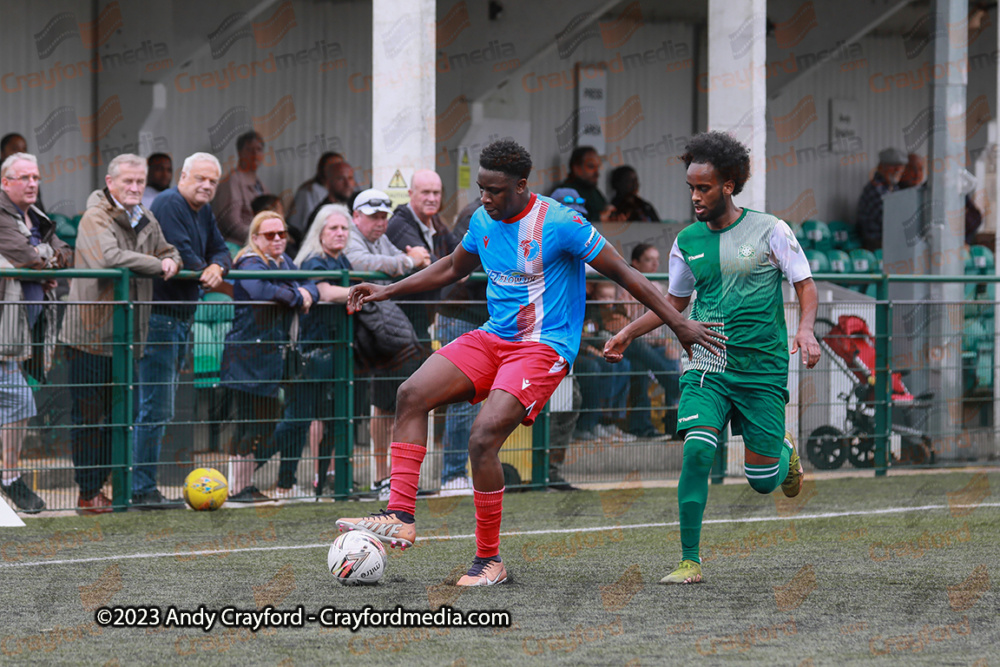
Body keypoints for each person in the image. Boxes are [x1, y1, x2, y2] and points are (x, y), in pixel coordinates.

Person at [336, 138, 725, 586]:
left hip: (543, 346)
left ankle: (490, 561)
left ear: (521, 185)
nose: (484, 198)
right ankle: (400, 514)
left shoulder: (560, 224)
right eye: (481, 188)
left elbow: (626, 273)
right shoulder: (484, 218)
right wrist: (386, 289)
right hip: (494, 336)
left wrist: (677, 322)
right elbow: (449, 268)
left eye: (495, 190)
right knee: (411, 393)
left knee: (483, 438)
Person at [604, 131, 821, 584]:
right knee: (698, 452)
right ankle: (690, 560)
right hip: (707, 364)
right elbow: (674, 304)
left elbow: (804, 284)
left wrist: (804, 328)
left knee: (762, 481)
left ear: (728, 184)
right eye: (690, 188)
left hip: (761, 367)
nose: (695, 197)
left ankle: (782, 450)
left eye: (703, 188)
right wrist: (626, 331)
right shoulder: (686, 241)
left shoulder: (771, 229)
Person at [60, 154, 182, 514]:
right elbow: (108, 258)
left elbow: (168, 248)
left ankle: (111, 490)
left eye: (139, 182)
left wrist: (171, 258)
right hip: (89, 336)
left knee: (119, 419)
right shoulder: (95, 216)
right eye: (127, 182)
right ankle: (88, 493)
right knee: (89, 420)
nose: (134, 188)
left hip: (128, 337)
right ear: (109, 183)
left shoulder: (145, 215)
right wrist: (160, 265)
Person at [132, 152, 231, 509]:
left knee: (159, 407)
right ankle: (141, 489)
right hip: (160, 317)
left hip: (180, 319)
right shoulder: (170, 202)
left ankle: (142, 486)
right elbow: (182, 252)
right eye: (200, 178)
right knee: (154, 408)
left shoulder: (203, 209)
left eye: (213, 181)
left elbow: (220, 249)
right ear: (183, 176)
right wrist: (210, 268)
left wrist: (217, 266)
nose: (206, 186)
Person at [344, 188, 430, 499]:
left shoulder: (381, 236)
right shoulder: (350, 234)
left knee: (393, 402)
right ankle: (380, 479)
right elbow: (358, 261)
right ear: (356, 217)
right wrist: (406, 260)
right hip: (361, 337)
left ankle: (392, 479)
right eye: (373, 216)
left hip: (383, 333)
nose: (380, 222)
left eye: (383, 216)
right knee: (379, 405)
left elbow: (397, 260)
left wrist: (401, 261)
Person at [0, 153, 71, 512]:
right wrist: (40, 261)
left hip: (21, 331)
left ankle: (9, 477)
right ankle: (10, 478)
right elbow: (26, 257)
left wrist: (42, 259)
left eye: (36, 177)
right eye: (23, 177)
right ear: (4, 182)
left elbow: (64, 254)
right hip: (4, 330)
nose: (31, 183)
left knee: (15, 403)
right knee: (19, 402)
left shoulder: (38, 217)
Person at [274, 204, 353, 497]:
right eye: (333, 228)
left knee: (333, 419)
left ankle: (322, 482)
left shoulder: (342, 259)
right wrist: (368, 291)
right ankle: (283, 481)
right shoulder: (313, 260)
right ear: (319, 232)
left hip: (336, 354)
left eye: (344, 228)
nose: (339, 233)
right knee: (296, 420)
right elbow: (326, 292)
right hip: (309, 354)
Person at [386, 169, 460, 338]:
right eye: (426, 192)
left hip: (423, 317)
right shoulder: (399, 224)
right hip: (400, 320)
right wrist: (458, 269)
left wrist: (459, 266)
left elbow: (459, 251)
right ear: (411, 194)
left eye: (436, 193)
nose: (432, 199)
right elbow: (437, 267)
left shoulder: (435, 220)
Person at [213, 131, 267, 245]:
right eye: (249, 149)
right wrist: (258, 239)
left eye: (259, 149)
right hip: (236, 246)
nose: (255, 153)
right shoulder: (231, 181)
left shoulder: (261, 185)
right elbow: (231, 223)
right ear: (239, 153)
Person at [855, 147, 907, 251]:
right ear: (880, 167)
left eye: (900, 167)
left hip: (888, 241)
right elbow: (891, 221)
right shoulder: (875, 189)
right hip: (875, 244)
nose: (897, 170)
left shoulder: (893, 188)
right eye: (893, 166)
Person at [287, 152, 342, 239]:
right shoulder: (308, 191)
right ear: (322, 169)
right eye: (331, 166)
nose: (336, 169)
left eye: (339, 165)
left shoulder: (343, 192)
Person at [553, 146, 611, 222]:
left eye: (598, 167)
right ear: (576, 168)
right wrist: (599, 217)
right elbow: (571, 221)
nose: (597, 173)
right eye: (591, 166)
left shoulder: (594, 191)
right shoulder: (565, 191)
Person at [302, 161, 359, 232]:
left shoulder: (359, 204)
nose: (347, 183)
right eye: (341, 178)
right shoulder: (319, 214)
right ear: (328, 182)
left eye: (350, 178)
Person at [2, 135, 44, 211]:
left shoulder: (31, 176)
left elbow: (39, 207)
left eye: (24, 149)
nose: (21, 153)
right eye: (15, 149)